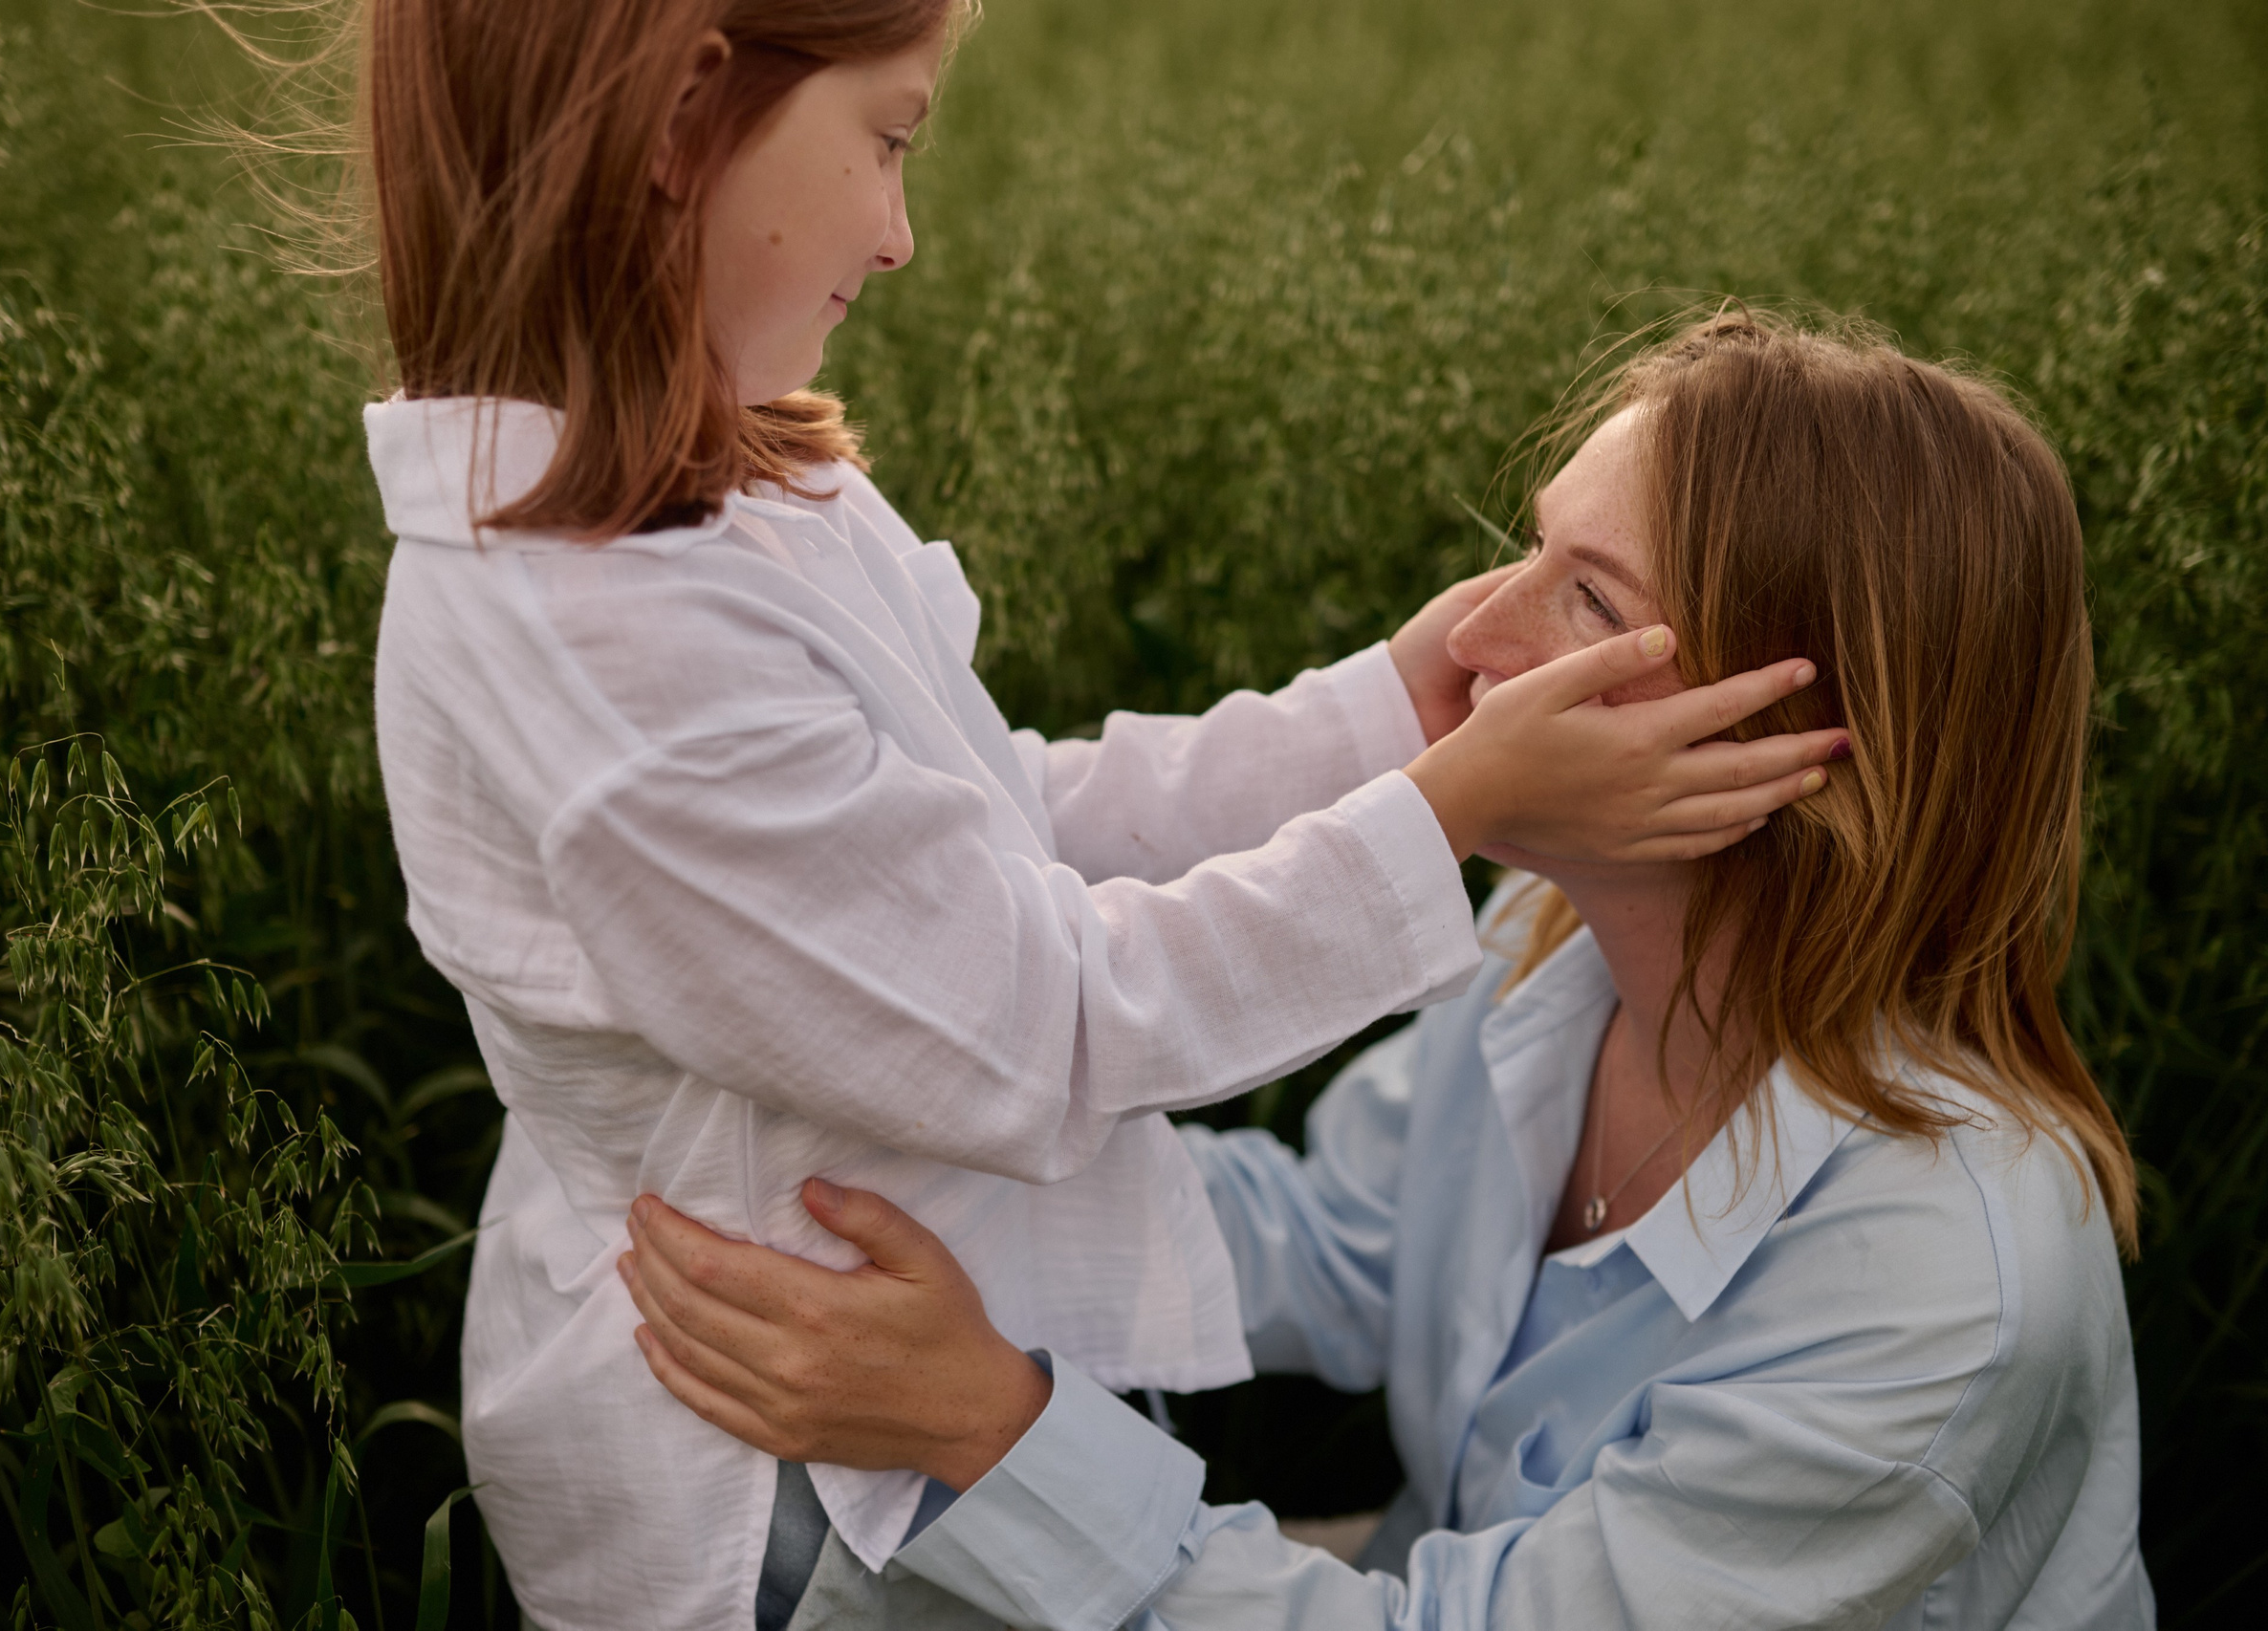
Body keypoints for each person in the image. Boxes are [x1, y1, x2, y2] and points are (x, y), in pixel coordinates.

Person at [619, 310, 2151, 1629]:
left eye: (1591, 600)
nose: (1477, 629)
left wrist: (986, 1421)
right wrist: (876, 1180)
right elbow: (1331, 1237)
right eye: (1531, 548)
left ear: (1807, 753)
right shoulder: (1548, 953)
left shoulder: (1943, 1275)